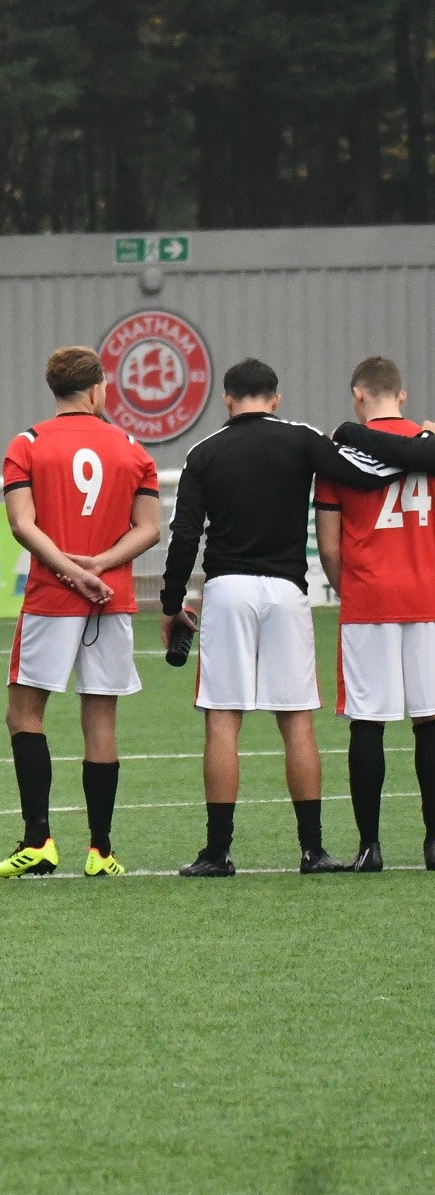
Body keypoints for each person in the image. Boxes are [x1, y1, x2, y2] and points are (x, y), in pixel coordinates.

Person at [159, 357, 428, 876]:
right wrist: (419, 448)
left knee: (223, 719)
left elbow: (184, 535)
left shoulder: (203, 452)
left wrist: (172, 604)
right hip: (287, 589)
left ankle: (217, 852)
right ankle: (313, 850)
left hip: (227, 589)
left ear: (227, 399)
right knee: (296, 719)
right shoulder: (302, 439)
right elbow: (365, 475)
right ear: (276, 399)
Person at [0, 347, 163, 880]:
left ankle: (38, 841)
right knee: (101, 717)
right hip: (110, 597)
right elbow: (150, 527)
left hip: (52, 595)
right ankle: (101, 850)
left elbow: (21, 523)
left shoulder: (28, 443)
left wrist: (69, 569)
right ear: (96, 389)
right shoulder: (131, 447)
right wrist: (99, 567)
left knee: (24, 714)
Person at [313, 357, 435, 872]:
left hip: (369, 600)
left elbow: (328, 546)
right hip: (429, 597)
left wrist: (352, 591)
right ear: (401, 396)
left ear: (357, 395)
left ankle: (370, 847)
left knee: (368, 724)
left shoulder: (339, 456)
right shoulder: (428, 443)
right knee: (430, 722)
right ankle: (434, 844)